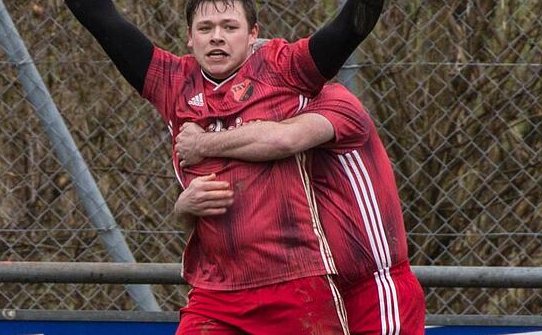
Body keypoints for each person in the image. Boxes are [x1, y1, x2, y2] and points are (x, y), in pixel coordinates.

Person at [29, 0, 394, 334]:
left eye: (229, 26)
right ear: (189, 36)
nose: (216, 36)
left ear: (253, 33)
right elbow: (104, 22)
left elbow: (346, 31)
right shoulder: (172, 81)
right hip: (215, 291)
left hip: (295, 283)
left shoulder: (285, 69)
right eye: (205, 28)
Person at [174, 82, 426, 335]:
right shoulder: (249, 133)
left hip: (371, 289)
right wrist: (183, 208)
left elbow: (285, 139)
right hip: (306, 294)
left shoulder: (333, 102)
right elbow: (228, 214)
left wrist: (200, 143)